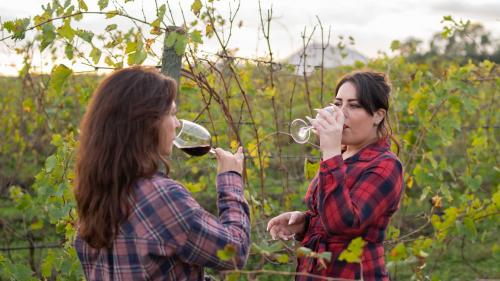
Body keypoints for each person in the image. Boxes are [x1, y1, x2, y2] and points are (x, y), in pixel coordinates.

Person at [73, 66, 250, 280]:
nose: (176, 124)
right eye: (172, 114)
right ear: (147, 123)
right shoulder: (161, 197)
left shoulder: (94, 194)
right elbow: (235, 251)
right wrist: (230, 179)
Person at [267, 71, 404, 280]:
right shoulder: (340, 154)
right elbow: (328, 212)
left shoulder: (386, 165)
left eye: (354, 105)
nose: (341, 113)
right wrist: (304, 223)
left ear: (378, 115)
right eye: (338, 103)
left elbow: (342, 225)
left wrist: (329, 151)